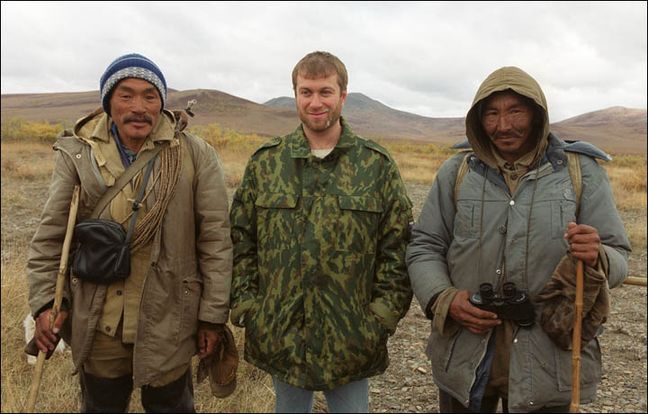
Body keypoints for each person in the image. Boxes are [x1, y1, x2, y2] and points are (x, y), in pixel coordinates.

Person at [407, 66, 631, 413]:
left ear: (537, 114)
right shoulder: (457, 171)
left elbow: (618, 256)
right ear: (478, 119)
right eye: (492, 114)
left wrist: (597, 254)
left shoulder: (580, 171)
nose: (503, 125)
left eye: (516, 111)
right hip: (465, 354)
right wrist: (444, 298)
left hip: (548, 361)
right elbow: (425, 245)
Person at [27, 53, 233, 412]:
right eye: (126, 95)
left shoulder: (194, 154)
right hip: (100, 321)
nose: (139, 107)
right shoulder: (79, 154)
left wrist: (212, 316)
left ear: (161, 102)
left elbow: (215, 240)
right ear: (109, 101)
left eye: (150, 96)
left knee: (171, 405)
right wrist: (46, 303)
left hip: (170, 320)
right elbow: (51, 237)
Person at [229, 51, 413, 413]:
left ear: (342, 96)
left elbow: (398, 248)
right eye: (306, 92)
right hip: (281, 334)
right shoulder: (267, 163)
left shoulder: (374, 165)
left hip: (351, 338)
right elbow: (241, 240)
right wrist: (249, 307)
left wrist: (380, 317)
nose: (316, 103)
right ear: (295, 95)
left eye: (325, 92)